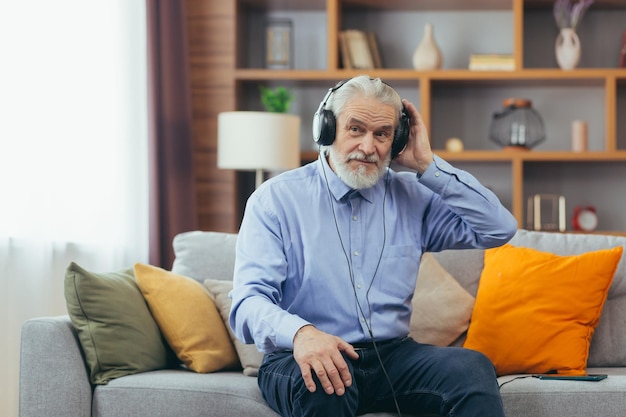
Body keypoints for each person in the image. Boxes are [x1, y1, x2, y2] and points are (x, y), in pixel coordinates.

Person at [229, 75, 518, 417]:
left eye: (381, 134)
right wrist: (301, 334)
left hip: (393, 356)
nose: (368, 147)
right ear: (326, 128)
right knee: (324, 382)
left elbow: (499, 228)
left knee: (470, 370)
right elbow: (247, 302)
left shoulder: (414, 197)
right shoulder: (275, 200)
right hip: (301, 353)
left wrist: (428, 164)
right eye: (355, 129)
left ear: (395, 142)